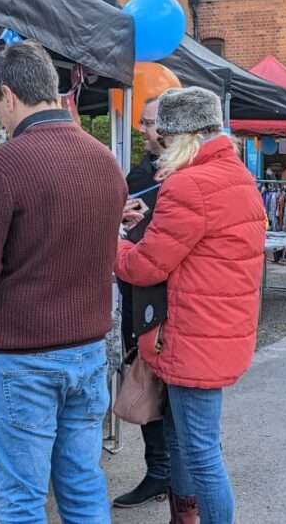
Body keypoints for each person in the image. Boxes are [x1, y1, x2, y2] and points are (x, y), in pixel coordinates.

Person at [0, 41, 126, 523]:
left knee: (21, 501)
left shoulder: (0, 164)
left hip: (24, 356)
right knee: (83, 485)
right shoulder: (104, 160)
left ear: (8, 96)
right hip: (89, 348)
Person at [116, 86, 265, 524]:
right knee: (184, 440)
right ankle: (183, 517)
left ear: (181, 136)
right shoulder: (236, 175)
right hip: (217, 329)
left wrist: (113, 243)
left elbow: (146, 266)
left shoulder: (189, 183)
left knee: (200, 451)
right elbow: (200, 247)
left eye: (162, 138)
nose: (159, 148)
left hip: (192, 334)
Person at [112, 97, 172, 509]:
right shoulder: (140, 172)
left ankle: (172, 475)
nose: (141, 130)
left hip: (165, 301)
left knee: (174, 396)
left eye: (148, 123)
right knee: (145, 385)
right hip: (138, 299)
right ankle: (160, 471)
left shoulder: (187, 176)